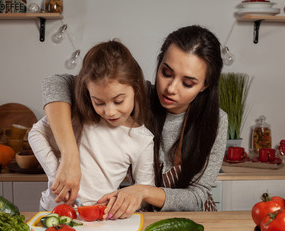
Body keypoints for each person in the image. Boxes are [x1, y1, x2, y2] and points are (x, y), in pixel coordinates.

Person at [41, 25, 228, 218]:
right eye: (166, 72)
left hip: (196, 219)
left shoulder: (216, 121)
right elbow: (55, 83)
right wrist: (69, 156)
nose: (171, 88)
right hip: (145, 217)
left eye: (187, 83)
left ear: (205, 85)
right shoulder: (136, 97)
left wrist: (143, 191)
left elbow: (197, 197)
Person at [28, 40, 155, 211]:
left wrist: (121, 203)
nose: (109, 112)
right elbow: (36, 133)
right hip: (52, 211)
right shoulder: (75, 113)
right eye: (99, 102)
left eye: (118, 101)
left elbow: (144, 194)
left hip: (98, 219)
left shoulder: (143, 140)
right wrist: (57, 173)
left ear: (136, 89)